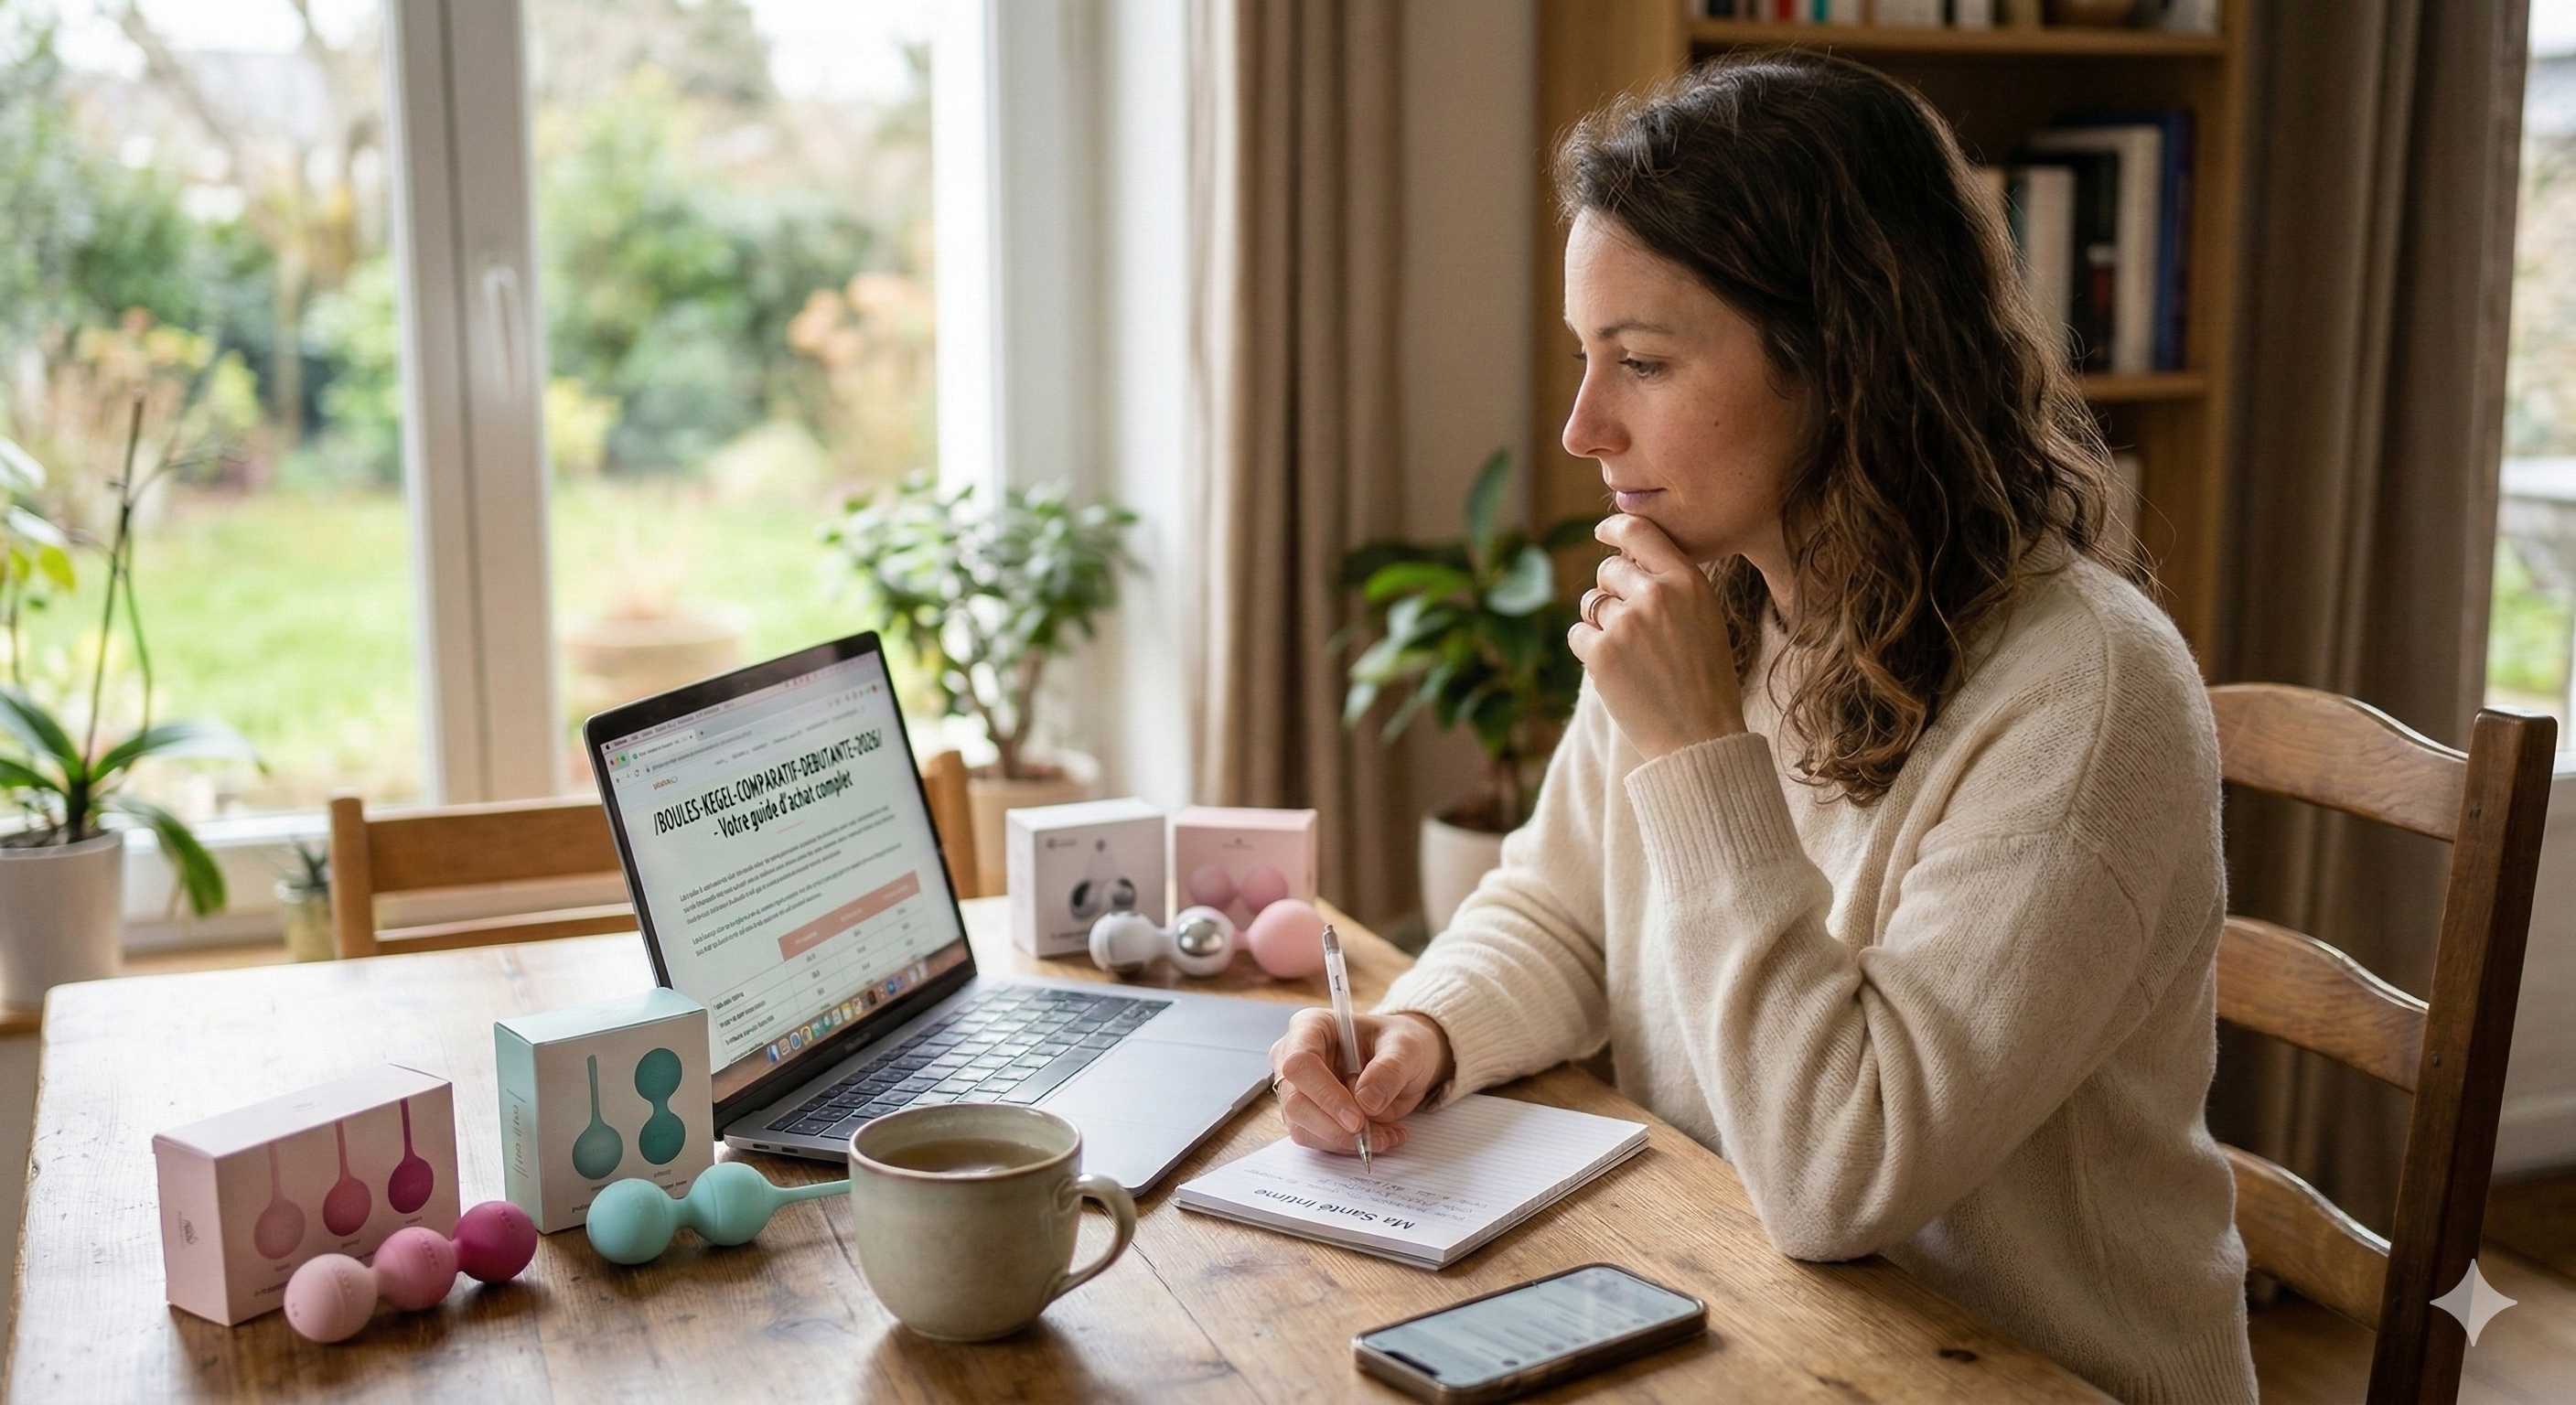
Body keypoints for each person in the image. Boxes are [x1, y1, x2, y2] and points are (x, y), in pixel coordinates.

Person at [1269, 50, 2255, 1405]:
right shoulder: (1724, 601)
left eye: (1645, 362)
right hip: (1742, 1316)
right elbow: (1562, 912)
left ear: (1848, 362)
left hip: (2027, 1373)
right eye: (1584, 358)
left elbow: (1841, 1172)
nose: (1580, 427)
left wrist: (1692, 753)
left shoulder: (2086, 699)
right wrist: (1421, 1032)